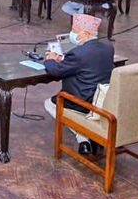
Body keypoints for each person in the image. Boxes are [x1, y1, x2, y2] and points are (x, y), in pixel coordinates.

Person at [43, 14, 114, 156]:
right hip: (103, 99)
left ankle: (83, 138)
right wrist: (63, 59)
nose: (72, 34)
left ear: (86, 34)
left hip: (83, 102)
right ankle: (90, 139)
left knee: (49, 104)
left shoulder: (78, 53)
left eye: (75, 31)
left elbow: (56, 71)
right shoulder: (108, 47)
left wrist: (50, 60)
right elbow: (88, 63)